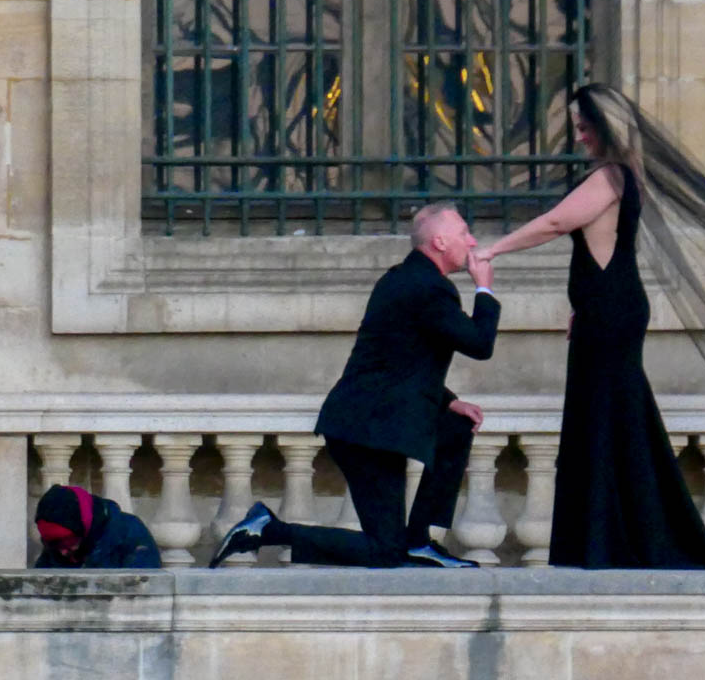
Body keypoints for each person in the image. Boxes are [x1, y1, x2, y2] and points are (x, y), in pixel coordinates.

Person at [477, 84, 705, 568]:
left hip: (611, 311)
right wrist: (586, 303)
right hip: (608, 309)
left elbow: (556, 223)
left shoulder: (610, 177)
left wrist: (492, 250)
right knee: (613, 414)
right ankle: (616, 538)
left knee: (605, 417)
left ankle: (609, 541)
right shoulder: (626, 176)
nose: (579, 136)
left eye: (585, 127)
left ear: (607, 127)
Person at [209, 204, 499, 568]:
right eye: (464, 233)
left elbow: (397, 361)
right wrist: (484, 288)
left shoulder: (407, 279)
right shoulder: (429, 289)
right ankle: (268, 529)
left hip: (374, 423)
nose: (471, 241)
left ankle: (419, 541)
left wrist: (448, 401)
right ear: (440, 242)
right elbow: (479, 344)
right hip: (368, 431)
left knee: (456, 425)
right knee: (385, 552)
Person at [33, 483, 161, 569]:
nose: (63, 551)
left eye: (68, 541)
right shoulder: (56, 550)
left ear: (82, 528)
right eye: (53, 544)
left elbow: (144, 588)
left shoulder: (129, 534)